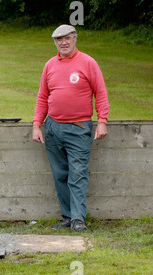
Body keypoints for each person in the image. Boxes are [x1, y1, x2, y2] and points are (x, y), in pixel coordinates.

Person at [32, 25, 109, 231]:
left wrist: (102, 121)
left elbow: (100, 93)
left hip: (78, 127)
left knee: (78, 174)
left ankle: (78, 220)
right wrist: (37, 124)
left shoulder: (88, 62)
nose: (63, 42)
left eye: (67, 38)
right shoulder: (49, 65)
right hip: (53, 128)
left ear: (75, 39)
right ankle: (67, 217)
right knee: (60, 175)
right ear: (55, 42)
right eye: (58, 40)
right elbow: (42, 96)